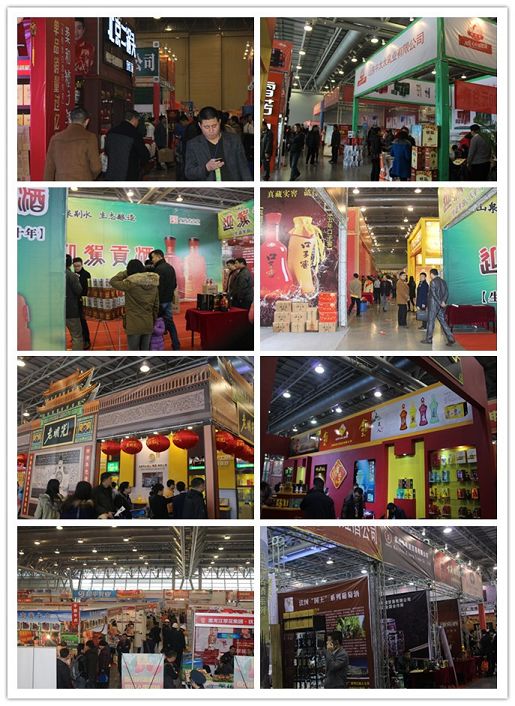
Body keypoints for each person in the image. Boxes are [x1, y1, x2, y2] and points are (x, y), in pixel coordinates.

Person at [184, 106, 251, 181]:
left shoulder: (234, 140)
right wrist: (206, 168)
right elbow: (189, 173)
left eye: (214, 126)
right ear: (200, 125)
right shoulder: (193, 144)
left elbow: (244, 168)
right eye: (206, 127)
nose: (211, 130)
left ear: (219, 122)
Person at [110, 260, 160, 350]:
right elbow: (156, 306)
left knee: (133, 351)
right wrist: (153, 321)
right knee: (145, 350)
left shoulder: (129, 284)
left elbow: (113, 281)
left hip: (133, 323)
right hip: (148, 322)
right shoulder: (154, 284)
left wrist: (126, 273)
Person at [44, 107, 101, 181]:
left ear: (70, 120)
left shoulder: (55, 138)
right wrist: (89, 177)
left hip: (62, 183)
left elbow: (49, 169)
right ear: (87, 121)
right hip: (82, 182)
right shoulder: (90, 137)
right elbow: (96, 167)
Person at [104, 110, 150, 180]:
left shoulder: (111, 132)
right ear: (134, 119)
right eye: (138, 120)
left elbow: (107, 150)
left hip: (112, 172)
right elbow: (144, 155)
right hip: (129, 173)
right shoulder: (134, 134)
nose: (138, 122)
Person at [149, 249, 180, 350]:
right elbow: (174, 284)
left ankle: (155, 347)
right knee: (170, 323)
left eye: (153, 257)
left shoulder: (158, 269)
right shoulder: (170, 267)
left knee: (156, 325)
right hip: (168, 300)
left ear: (159, 256)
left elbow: (158, 288)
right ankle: (176, 344)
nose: (152, 260)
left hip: (160, 302)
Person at [420, 269, 455, 346]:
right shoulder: (443, 281)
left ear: (431, 274)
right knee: (443, 321)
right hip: (440, 305)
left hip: (433, 305)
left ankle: (429, 339)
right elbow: (446, 292)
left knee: (430, 322)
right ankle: (451, 338)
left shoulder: (433, 282)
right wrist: (443, 302)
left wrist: (439, 302)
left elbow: (434, 294)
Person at [72, 257, 91, 349]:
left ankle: (86, 340)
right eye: (75, 266)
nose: (77, 268)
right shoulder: (72, 274)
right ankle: (78, 338)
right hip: (73, 302)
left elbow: (87, 289)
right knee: (75, 322)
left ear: (82, 264)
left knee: (82, 321)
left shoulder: (86, 274)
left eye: (78, 266)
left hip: (82, 301)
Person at [66, 254, 84, 351]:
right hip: (71, 310)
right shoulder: (72, 276)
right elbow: (78, 290)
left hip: (56, 311)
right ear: (70, 264)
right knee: (77, 336)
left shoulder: (53, 275)